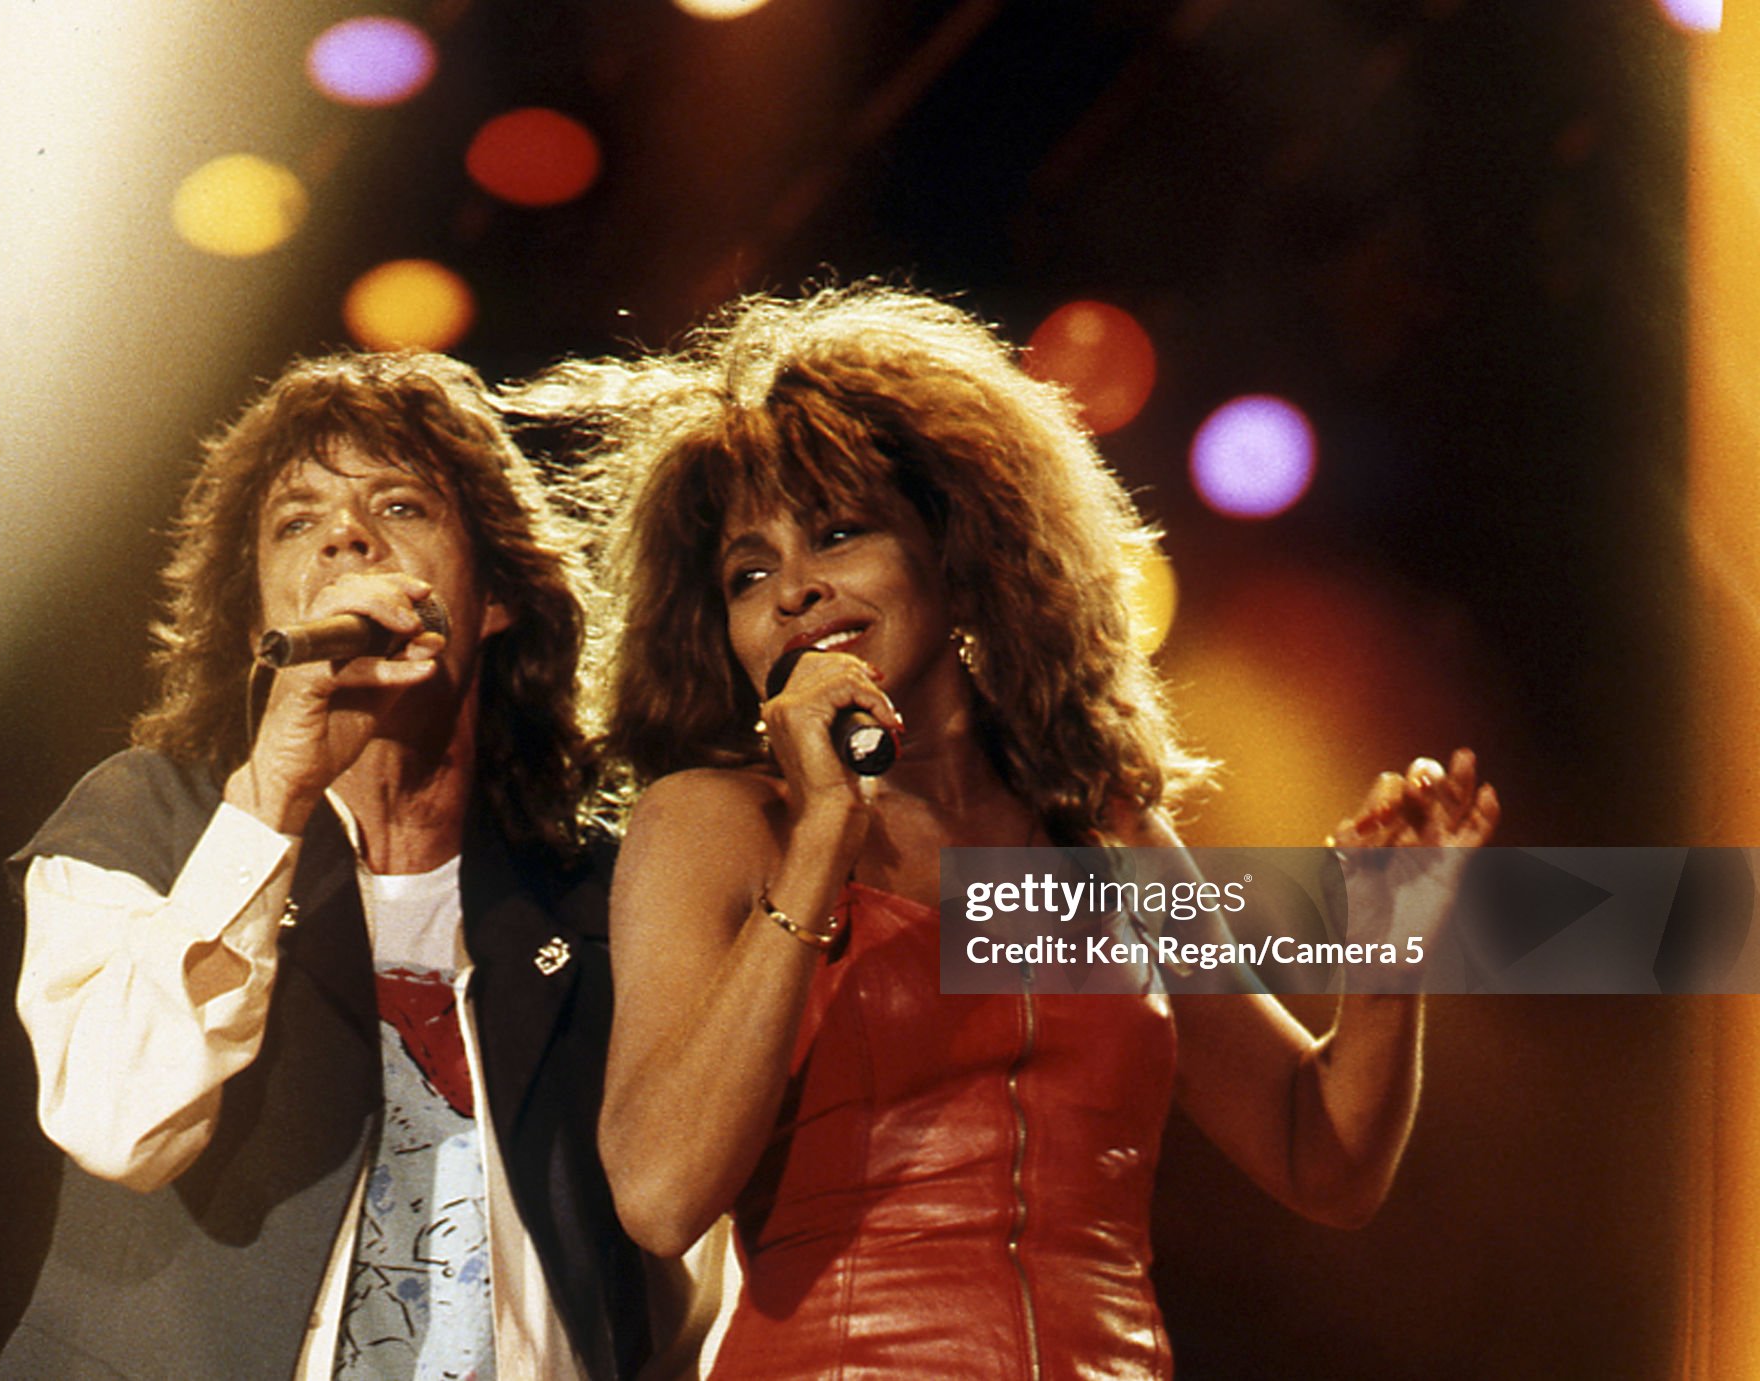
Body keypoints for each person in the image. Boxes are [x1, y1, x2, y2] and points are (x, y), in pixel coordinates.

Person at [546, 284, 1500, 1377]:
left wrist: (1382, 949)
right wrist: (822, 839)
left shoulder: (1089, 827)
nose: (795, 591)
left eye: (838, 533)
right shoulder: (720, 822)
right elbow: (659, 1195)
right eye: (747, 573)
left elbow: (1317, 1158)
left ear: (953, 549)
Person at [0, 351, 656, 1379]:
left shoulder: (595, 892)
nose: (347, 536)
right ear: (263, 619)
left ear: (494, 596)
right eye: (296, 521)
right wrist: (273, 795)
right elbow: (118, 1125)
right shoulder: (144, 818)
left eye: (400, 504)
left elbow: (670, 1260)